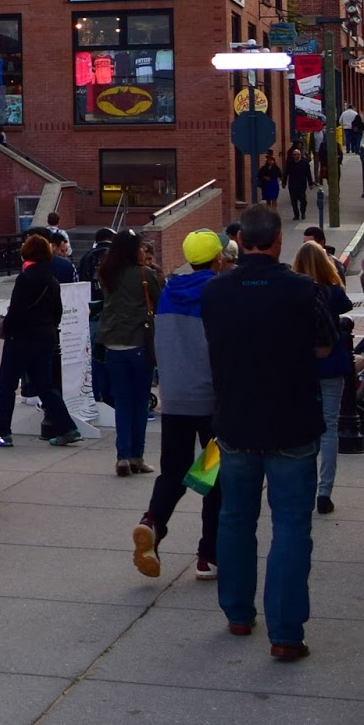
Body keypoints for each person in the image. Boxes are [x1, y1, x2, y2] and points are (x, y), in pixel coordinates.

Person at [200, 203, 334, 661]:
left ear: (241, 242)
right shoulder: (303, 290)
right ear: (278, 241)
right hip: (292, 422)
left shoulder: (216, 292)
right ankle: (286, 632)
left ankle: (238, 613)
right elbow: (323, 345)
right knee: (292, 526)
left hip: (235, 422)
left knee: (235, 520)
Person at [132, 229, 225, 582]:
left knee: (173, 471)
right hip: (212, 403)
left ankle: (153, 522)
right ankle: (208, 556)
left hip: (174, 400)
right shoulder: (216, 293)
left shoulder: (170, 292)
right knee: (214, 476)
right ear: (217, 258)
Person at [0, 233, 80, 450]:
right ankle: (68, 427)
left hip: (20, 338)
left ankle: (3, 432)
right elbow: (57, 313)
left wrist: (7, 326)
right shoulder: (52, 280)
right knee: (45, 385)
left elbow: (16, 311)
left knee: (8, 385)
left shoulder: (25, 278)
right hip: (45, 338)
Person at [291, 241, 353, 516]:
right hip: (331, 365)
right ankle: (324, 492)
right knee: (329, 428)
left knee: (304, 427)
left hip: (303, 366)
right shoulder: (332, 291)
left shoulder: (294, 293)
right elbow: (346, 305)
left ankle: (303, 487)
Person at [95, 230, 162, 477]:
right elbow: (159, 302)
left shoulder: (107, 273)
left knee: (122, 403)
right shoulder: (146, 274)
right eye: (141, 247)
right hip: (139, 344)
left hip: (113, 345)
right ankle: (137, 456)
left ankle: (122, 456)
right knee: (139, 402)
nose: (144, 250)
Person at [285, 145, 312, 222]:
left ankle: (303, 212)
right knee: (293, 201)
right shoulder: (290, 163)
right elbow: (286, 173)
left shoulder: (304, 163)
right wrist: (284, 182)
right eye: (293, 155)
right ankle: (296, 215)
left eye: (296, 154)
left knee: (303, 200)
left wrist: (310, 183)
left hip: (301, 185)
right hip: (292, 185)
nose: (294, 156)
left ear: (299, 155)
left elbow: (308, 174)